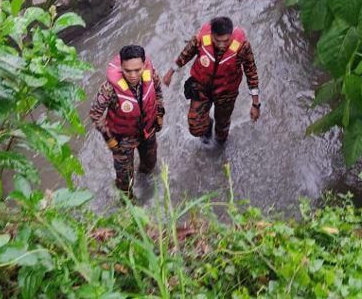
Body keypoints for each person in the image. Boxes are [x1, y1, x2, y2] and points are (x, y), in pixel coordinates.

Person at [165, 16, 260, 146]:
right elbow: (186, 54)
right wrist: (171, 72)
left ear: (231, 35)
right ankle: (207, 128)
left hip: (226, 92)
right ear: (211, 34)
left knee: (222, 129)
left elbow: (251, 72)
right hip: (201, 87)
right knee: (195, 126)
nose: (221, 45)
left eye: (226, 41)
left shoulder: (242, 47)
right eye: (217, 40)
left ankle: (219, 151)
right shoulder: (201, 38)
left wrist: (255, 104)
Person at [89, 45, 165, 196]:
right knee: (124, 183)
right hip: (122, 140)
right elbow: (95, 113)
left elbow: (158, 91)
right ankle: (128, 208)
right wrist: (108, 139)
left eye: (137, 70)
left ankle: (148, 192)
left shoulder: (151, 75)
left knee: (150, 166)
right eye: (127, 71)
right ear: (121, 68)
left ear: (144, 65)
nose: (133, 75)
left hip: (147, 132)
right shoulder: (109, 89)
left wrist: (160, 114)